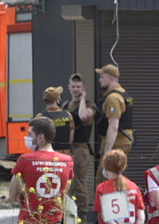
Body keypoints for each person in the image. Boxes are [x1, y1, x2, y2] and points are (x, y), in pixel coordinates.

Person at [10, 115, 75, 224]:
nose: (27, 137)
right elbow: (65, 191)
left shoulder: (25, 159)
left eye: (30, 134)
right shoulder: (67, 161)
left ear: (40, 137)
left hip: (29, 220)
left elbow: (12, 194)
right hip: (55, 220)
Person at [65, 73, 97, 214]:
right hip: (67, 148)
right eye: (73, 86)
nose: (76, 89)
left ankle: (83, 217)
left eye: (78, 87)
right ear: (69, 87)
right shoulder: (65, 105)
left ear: (83, 87)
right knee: (67, 184)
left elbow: (84, 115)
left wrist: (83, 99)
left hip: (80, 148)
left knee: (79, 183)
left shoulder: (90, 105)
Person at [96, 149, 146, 224]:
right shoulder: (134, 187)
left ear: (105, 166)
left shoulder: (102, 188)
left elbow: (104, 215)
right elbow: (141, 216)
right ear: (124, 167)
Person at [95, 64, 133, 157]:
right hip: (121, 141)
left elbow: (113, 127)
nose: (100, 80)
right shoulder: (123, 93)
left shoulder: (113, 98)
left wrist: (107, 152)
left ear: (111, 78)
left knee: (105, 171)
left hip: (117, 143)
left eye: (102, 77)